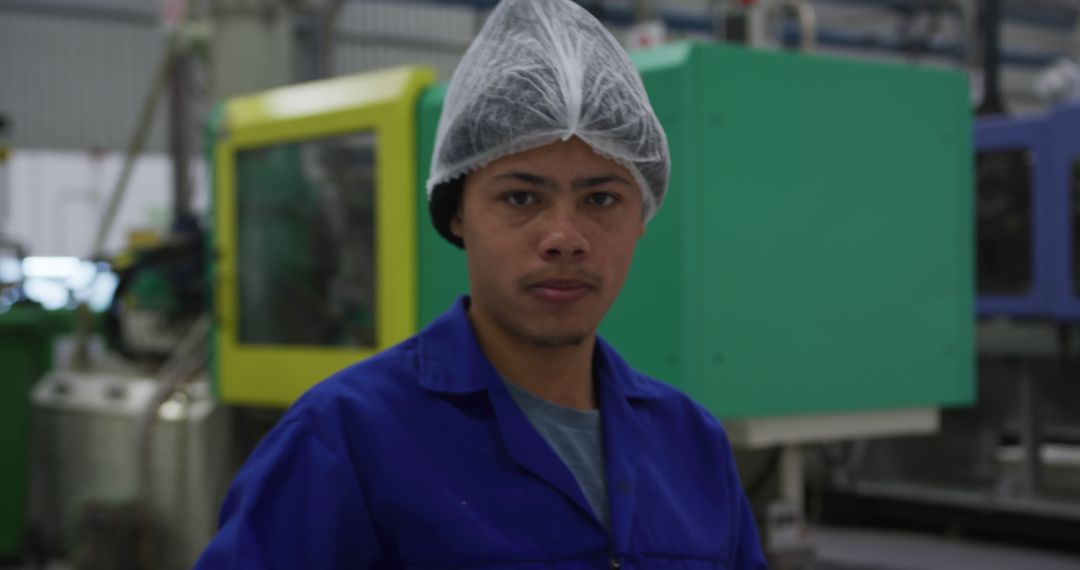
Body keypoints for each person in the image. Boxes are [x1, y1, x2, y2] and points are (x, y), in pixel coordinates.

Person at [196, 0, 766, 567]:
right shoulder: (345, 439)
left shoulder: (691, 444)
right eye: (522, 197)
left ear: (641, 218)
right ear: (458, 214)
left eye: (600, 199)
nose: (564, 237)